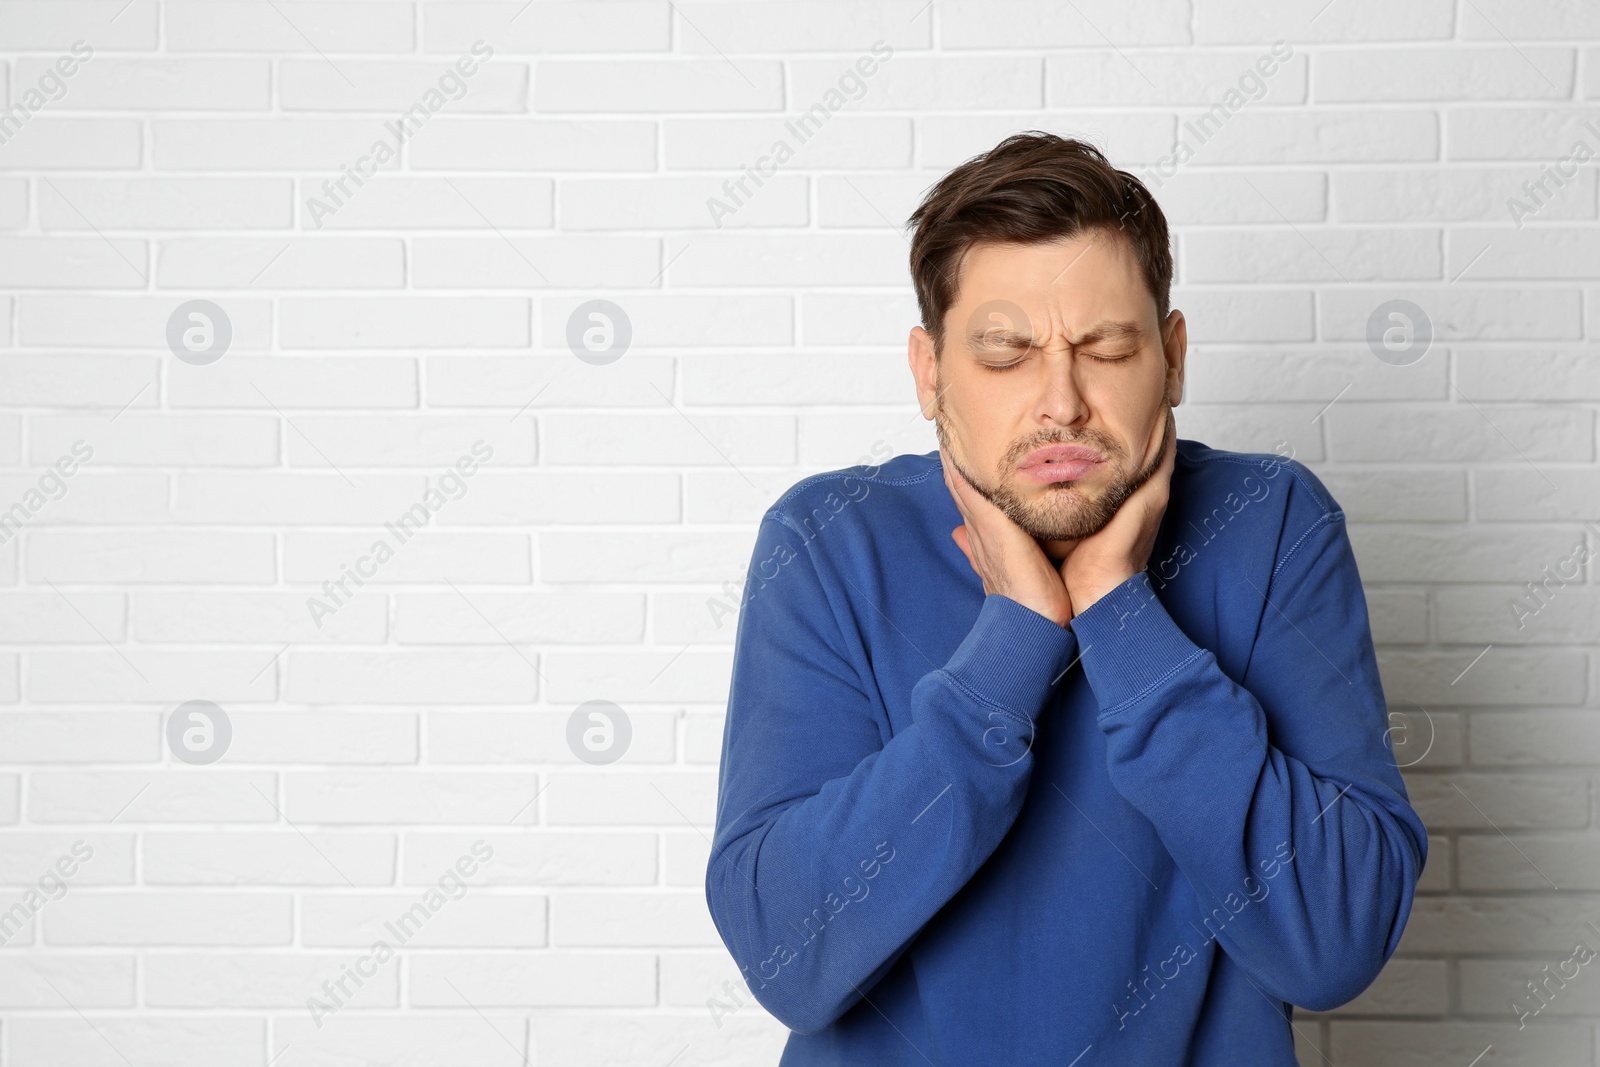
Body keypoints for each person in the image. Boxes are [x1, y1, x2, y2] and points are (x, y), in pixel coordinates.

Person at [705, 130, 1427, 1066]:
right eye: (1006, 354)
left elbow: (1334, 944)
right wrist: (1012, 642)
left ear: (1171, 357)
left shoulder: (1272, 522)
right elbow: (788, 954)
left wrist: (1119, 609)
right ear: (930, 374)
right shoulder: (829, 541)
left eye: (1107, 347)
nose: (1061, 403)